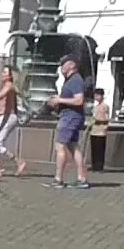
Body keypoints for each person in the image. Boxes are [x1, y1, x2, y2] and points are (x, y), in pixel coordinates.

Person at [44, 56, 90, 189]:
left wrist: (60, 100)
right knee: (73, 146)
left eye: (63, 64)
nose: (61, 67)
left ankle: (58, 179)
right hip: (72, 116)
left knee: (60, 146)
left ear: (71, 65)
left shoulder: (75, 80)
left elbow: (79, 100)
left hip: (70, 117)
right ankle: (82, 179)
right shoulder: (71, 80)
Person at [0, 65, 27, 178]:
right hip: (2, 117)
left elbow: (0, 96)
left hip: (7, 117)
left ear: (10, 75)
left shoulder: (9, 86)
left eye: (5, 72)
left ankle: (19, 161)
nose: (2, 74)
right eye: (2, 72)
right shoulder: (6, 86)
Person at [89, 87, 111, 172]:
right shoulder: (96, 107)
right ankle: (94, 165)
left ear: (102, 96)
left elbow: (107, 119)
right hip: (94, 130)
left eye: (98, 95)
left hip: (101, 131)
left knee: (100, 150)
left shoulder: (105, 106)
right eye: (95, 95)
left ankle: (99, 166)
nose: (96, 97)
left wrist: (99, 121)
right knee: (94, 149)